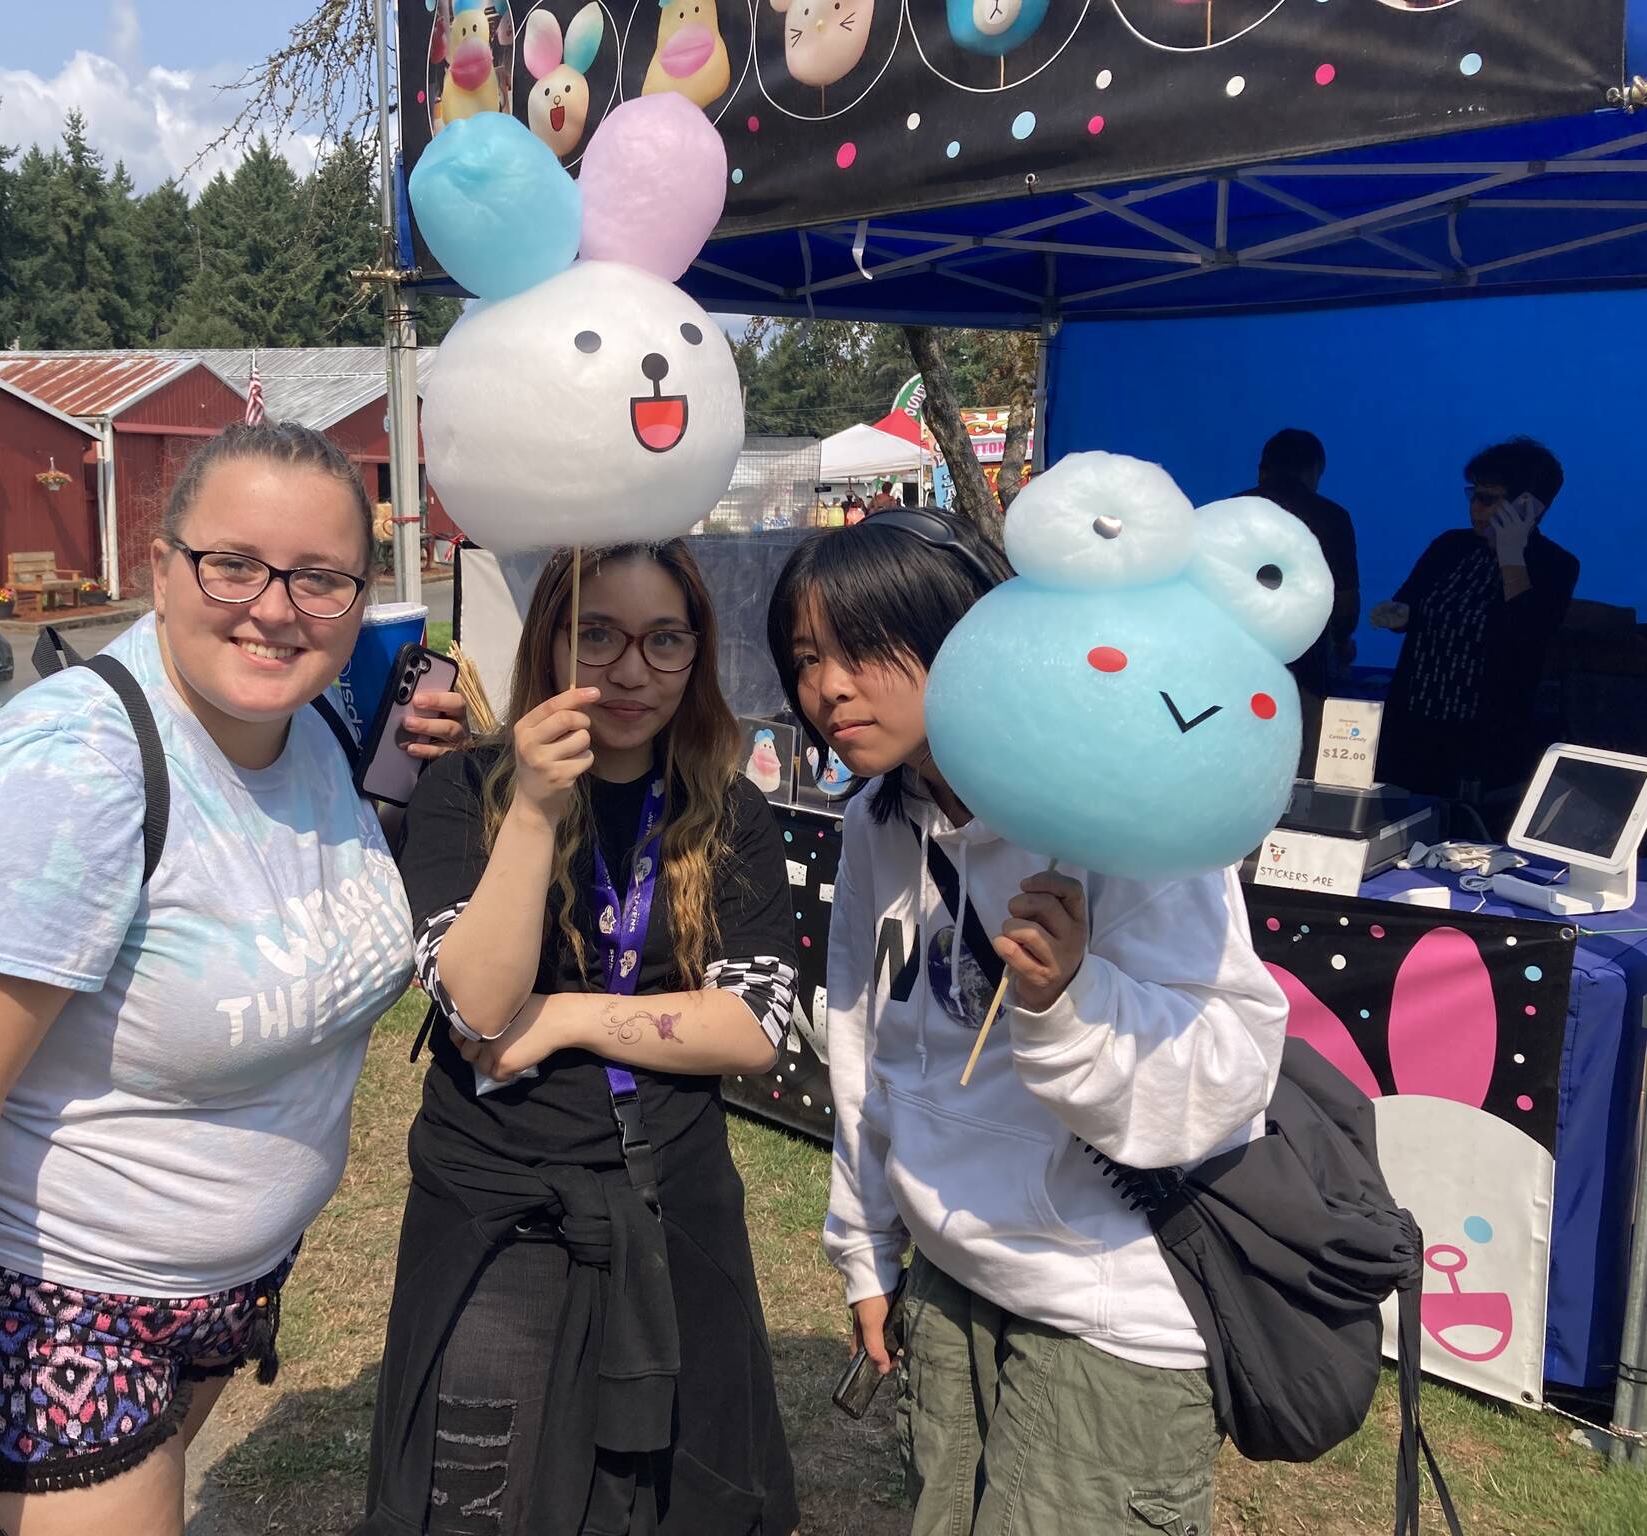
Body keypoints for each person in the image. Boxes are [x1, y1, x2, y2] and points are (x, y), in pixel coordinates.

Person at [0, 422, 468, 1536]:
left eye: (320, 578)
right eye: (233, 564)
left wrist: (411, 778)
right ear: (159, 567)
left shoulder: (306, 722)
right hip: (61, 1297)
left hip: (221, 1287)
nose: (275, 606)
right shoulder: (72, 771)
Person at [765, 508, 1288, 1536]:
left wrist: (1067, 1002)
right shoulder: (881, 821)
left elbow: (1228, 1074)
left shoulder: (1117, 812)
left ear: (973, 633)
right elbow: (867, 1049)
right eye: (804, 657)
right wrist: (865, 1251)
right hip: (951, 1283)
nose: (828, 687)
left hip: (1107, 1315)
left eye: (865, 648)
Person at [361, 541, 802, 1536]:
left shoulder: (725, 808)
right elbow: (474, 1004)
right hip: (498, 1204)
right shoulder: (463, 786)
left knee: (664, 1495)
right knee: (485, 1498)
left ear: (696, 656)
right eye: (595, 635)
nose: (629, 670)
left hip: (669, 1193)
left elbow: (749, 1024)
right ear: (548, 645)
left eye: (662, 640)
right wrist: (533, 807)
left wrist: (560, 1015)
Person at [1374, 436, 1580, 801]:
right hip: (1412, 728)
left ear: (1528, 506)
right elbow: (1411, 604)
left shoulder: (1554, 565)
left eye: (1489, 498)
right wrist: (1399, 614)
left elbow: (1526, 636)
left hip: (1482, 743)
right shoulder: (1449, 546)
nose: (1476, 508)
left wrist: (1511, 552)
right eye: (1474, 494)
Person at [1233, 429, 1359, 700]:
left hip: (1235, 652)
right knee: (1301, 735)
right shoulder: (1332, 518)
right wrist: (1340, 643)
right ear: (1314, 471)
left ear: (1262, 469)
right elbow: (1345, 602)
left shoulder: (1230, 509)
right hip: (1305, 658)